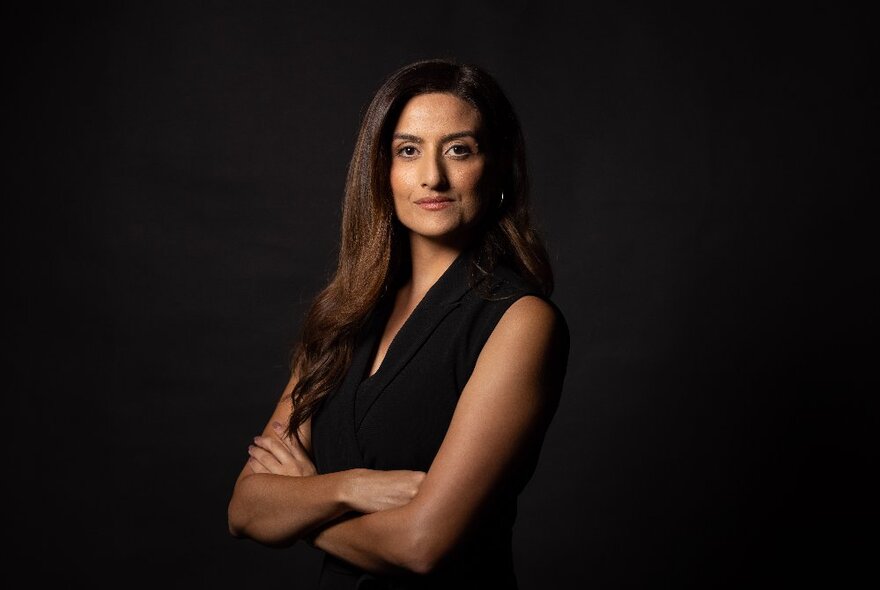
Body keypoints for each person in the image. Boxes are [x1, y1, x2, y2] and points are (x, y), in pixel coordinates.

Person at [227, 58, 569, 589]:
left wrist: (305, 505)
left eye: (460, 149)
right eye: (408, 151)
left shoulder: (520, 320)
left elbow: (420, 545)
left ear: (497, 167)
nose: (433, 175)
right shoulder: (344, 315)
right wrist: (350, 487)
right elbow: (245, 508)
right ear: (381, 172)